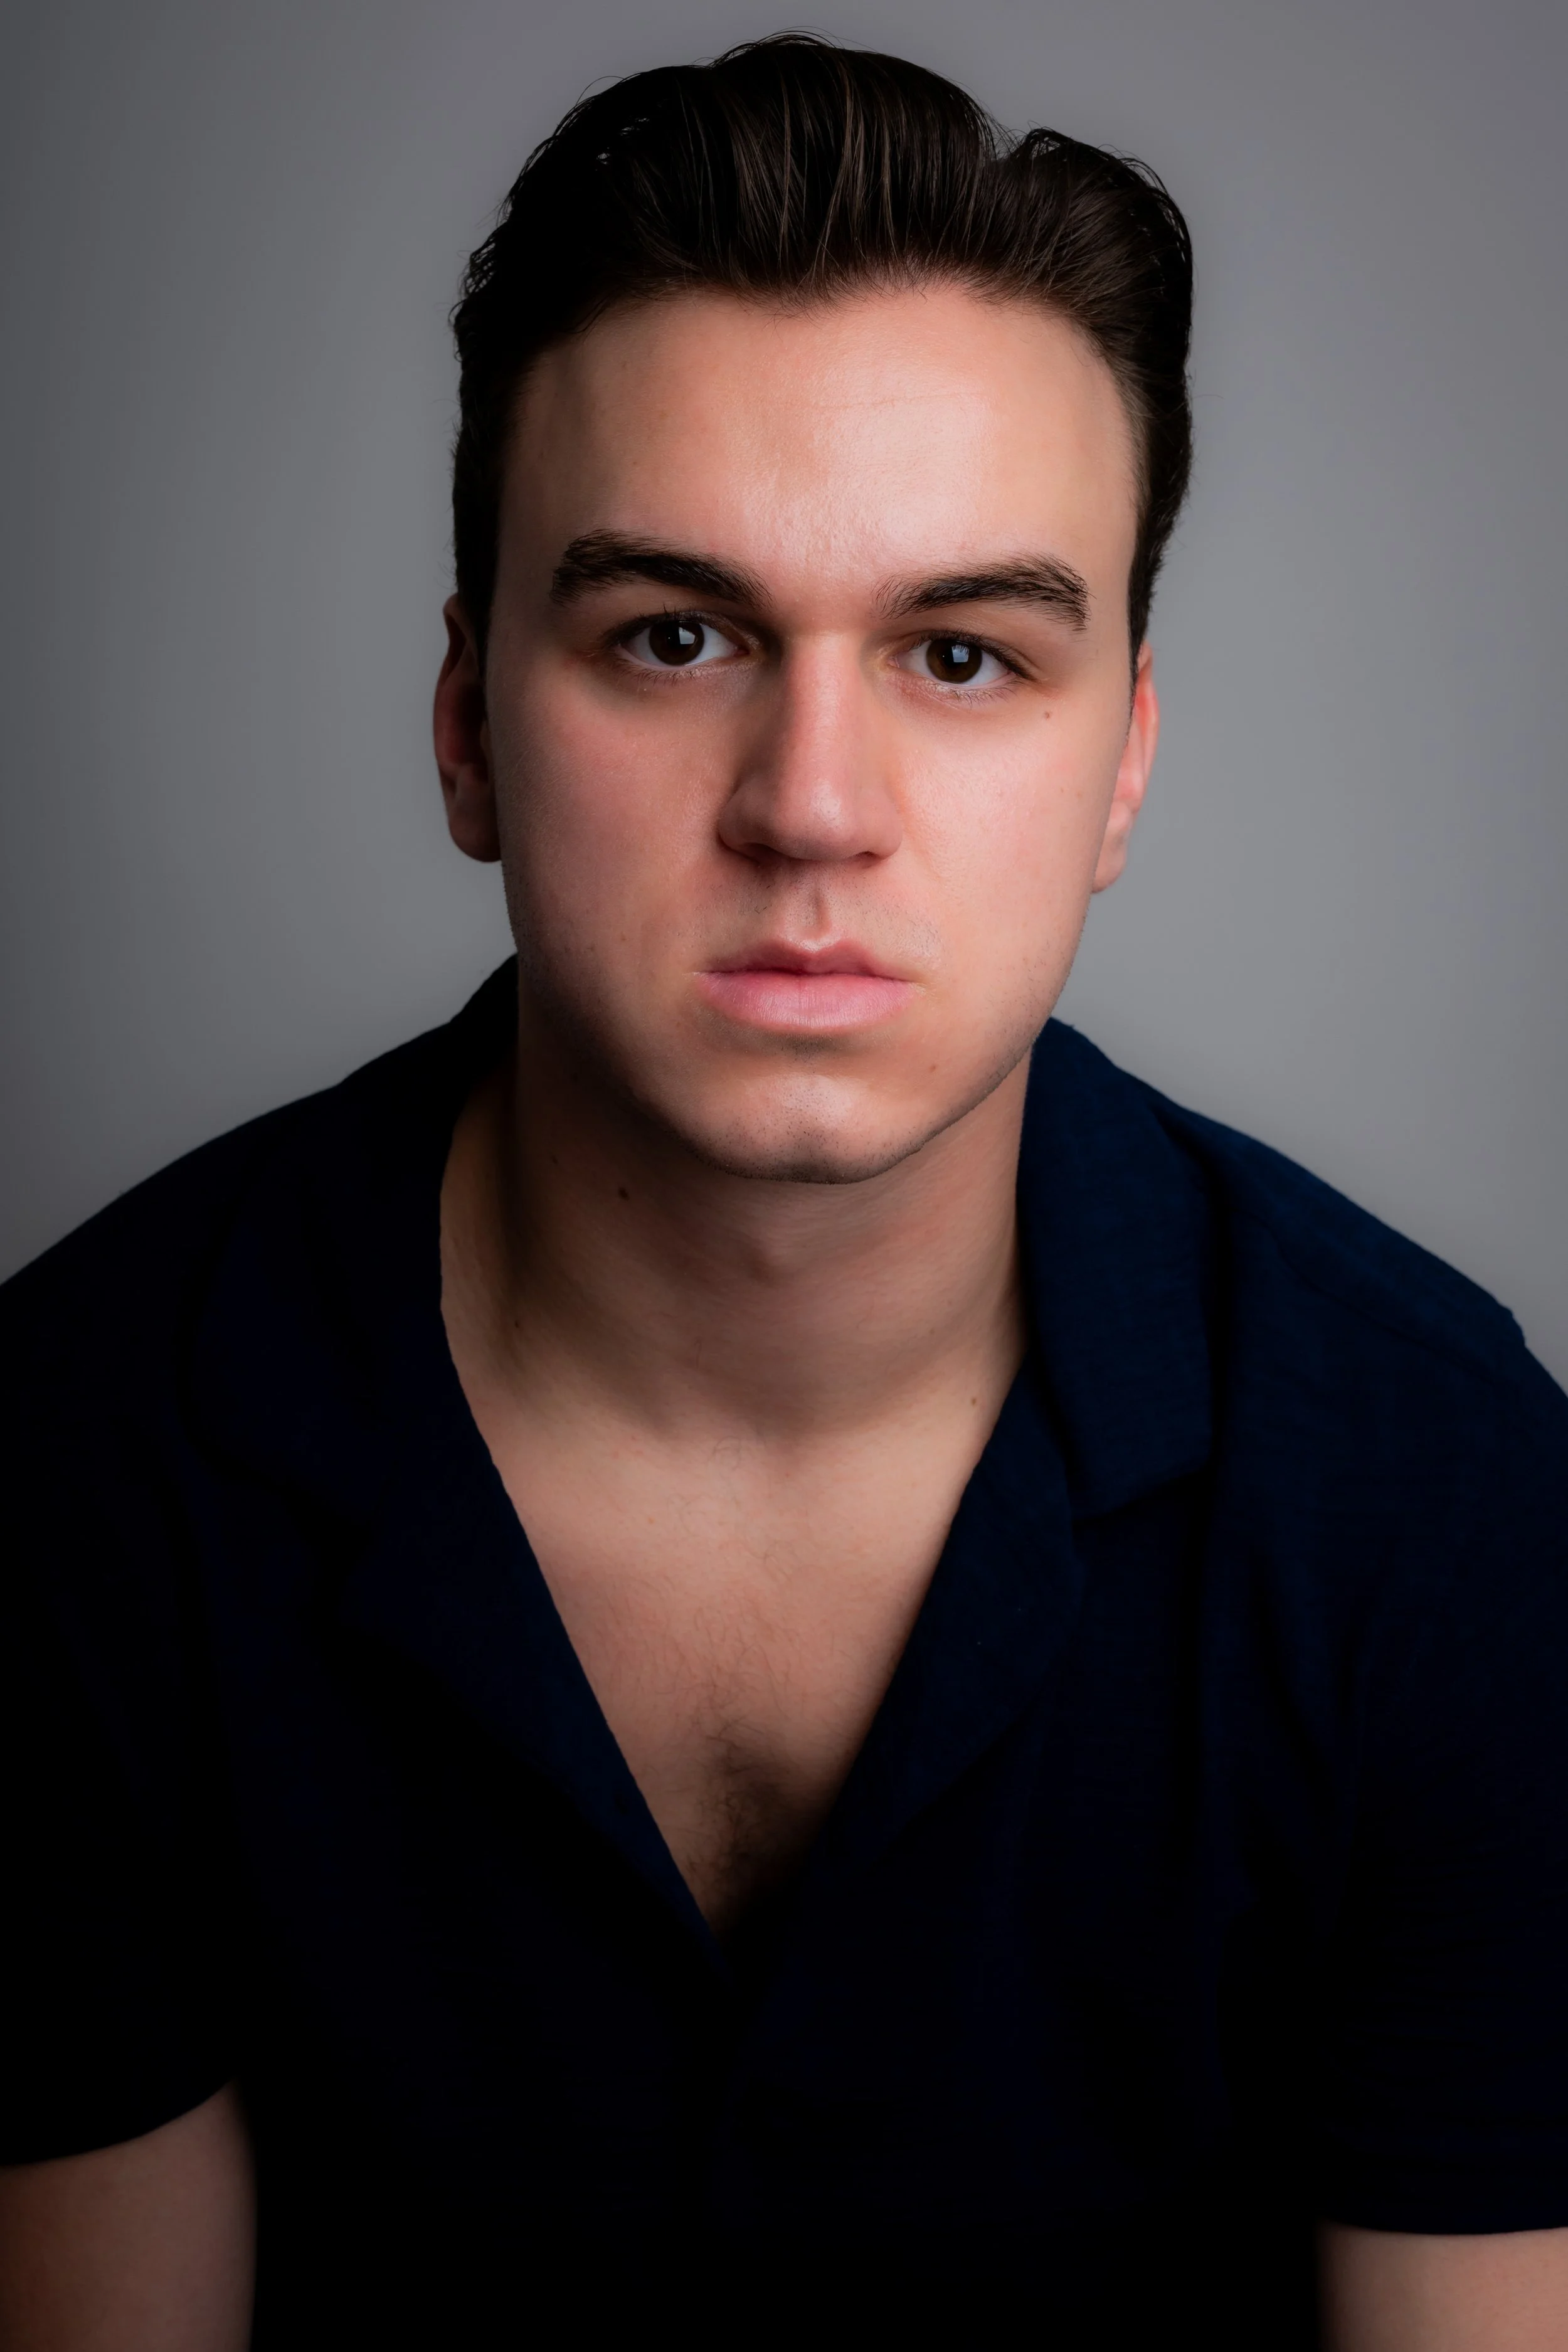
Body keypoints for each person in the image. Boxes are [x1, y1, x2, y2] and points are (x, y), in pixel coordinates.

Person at [2, 33, 1565, 2349]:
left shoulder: (1443, 1496)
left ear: (1121, 761)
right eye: (675, 636)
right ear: (467, 727)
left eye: (960, 654)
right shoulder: (72, 1461)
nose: (809, 804)